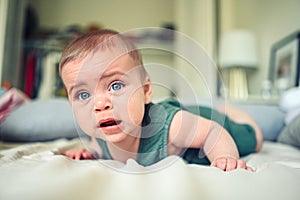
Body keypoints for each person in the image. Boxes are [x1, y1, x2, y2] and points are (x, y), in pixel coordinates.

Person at [59, 29, 263, 171]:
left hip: (215, 123)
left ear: (146, 91)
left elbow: (213, 132)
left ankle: (233, 112)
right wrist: (88, 152)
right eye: (83, 94)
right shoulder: (101, 133)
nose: (100, 104)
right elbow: (96, 145)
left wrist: (224, 157)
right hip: (191, 118)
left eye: (115, 86)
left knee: (253, 141)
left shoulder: (169, 125)